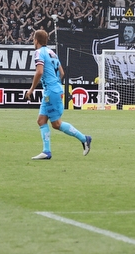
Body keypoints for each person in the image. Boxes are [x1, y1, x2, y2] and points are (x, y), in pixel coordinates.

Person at [25, 29, 91, 160]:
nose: (33, 42)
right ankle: (46, 151)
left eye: (33, 39)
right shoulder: (52, 53)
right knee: (41, 120)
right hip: (53, 89)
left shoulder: (38, 52)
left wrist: (31, 89)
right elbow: (62, 73)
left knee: (56, 124)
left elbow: (39, 72)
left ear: (36, 41)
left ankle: (84, 138)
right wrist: (55, 85)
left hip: (51, 91)